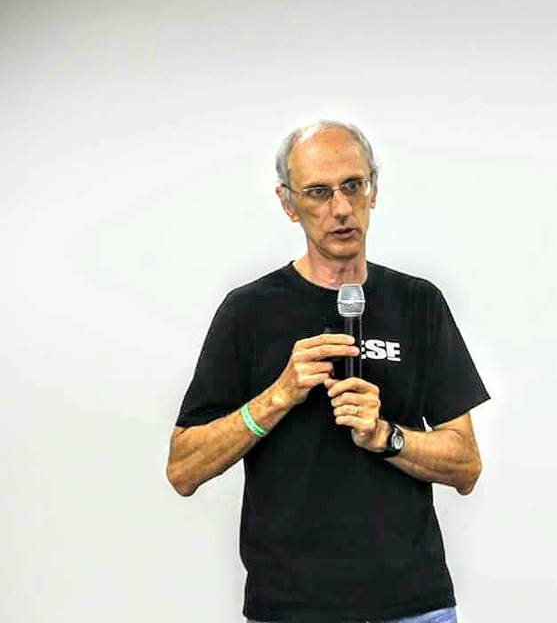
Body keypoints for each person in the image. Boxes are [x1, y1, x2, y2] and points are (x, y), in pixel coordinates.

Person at [165, 120, 489, 623]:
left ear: (373, 190)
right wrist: (277, 396)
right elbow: (183, 469)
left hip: (413, 605)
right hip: (291, 608)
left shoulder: (418, 303)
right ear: (288, 203)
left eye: (353, 186)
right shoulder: (249, 312)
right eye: (318, 192)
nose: (341, 208)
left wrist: (386, 437)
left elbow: (466, 465)